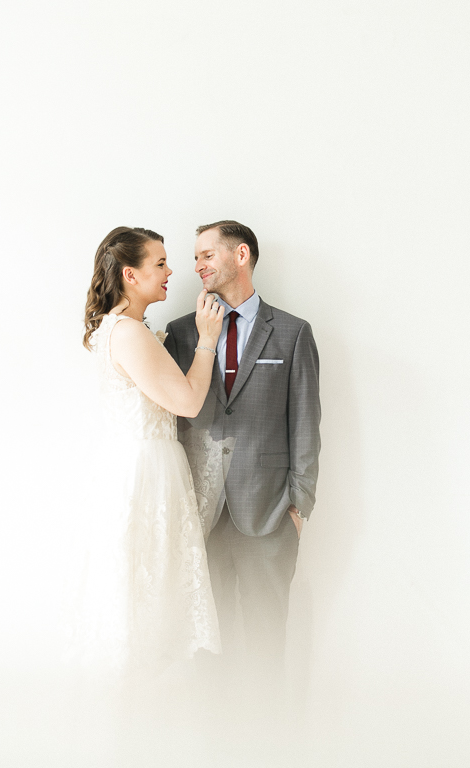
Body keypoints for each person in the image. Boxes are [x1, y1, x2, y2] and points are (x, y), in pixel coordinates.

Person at [163, 220, 321, 677]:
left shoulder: (293, 333)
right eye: (195, 258)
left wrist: (299, 506)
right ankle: (212, 739)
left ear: (241, 255)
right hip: (200, 516)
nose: (197, 266)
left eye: (206, 255)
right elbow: (172, 421)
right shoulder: (182, 333)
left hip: (269, 513)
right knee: (207, 641)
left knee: (266, 637)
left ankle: (267, 739)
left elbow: (306, 423)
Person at [79, 225, 226, 672]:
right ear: (130, 274)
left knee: (147, 583)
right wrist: (206, 341)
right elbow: (187, 401)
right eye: (160, 263)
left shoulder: (124, 329)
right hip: (145, 471)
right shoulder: (127, 332)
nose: (170, 272)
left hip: (142, 465)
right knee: (147, 584)